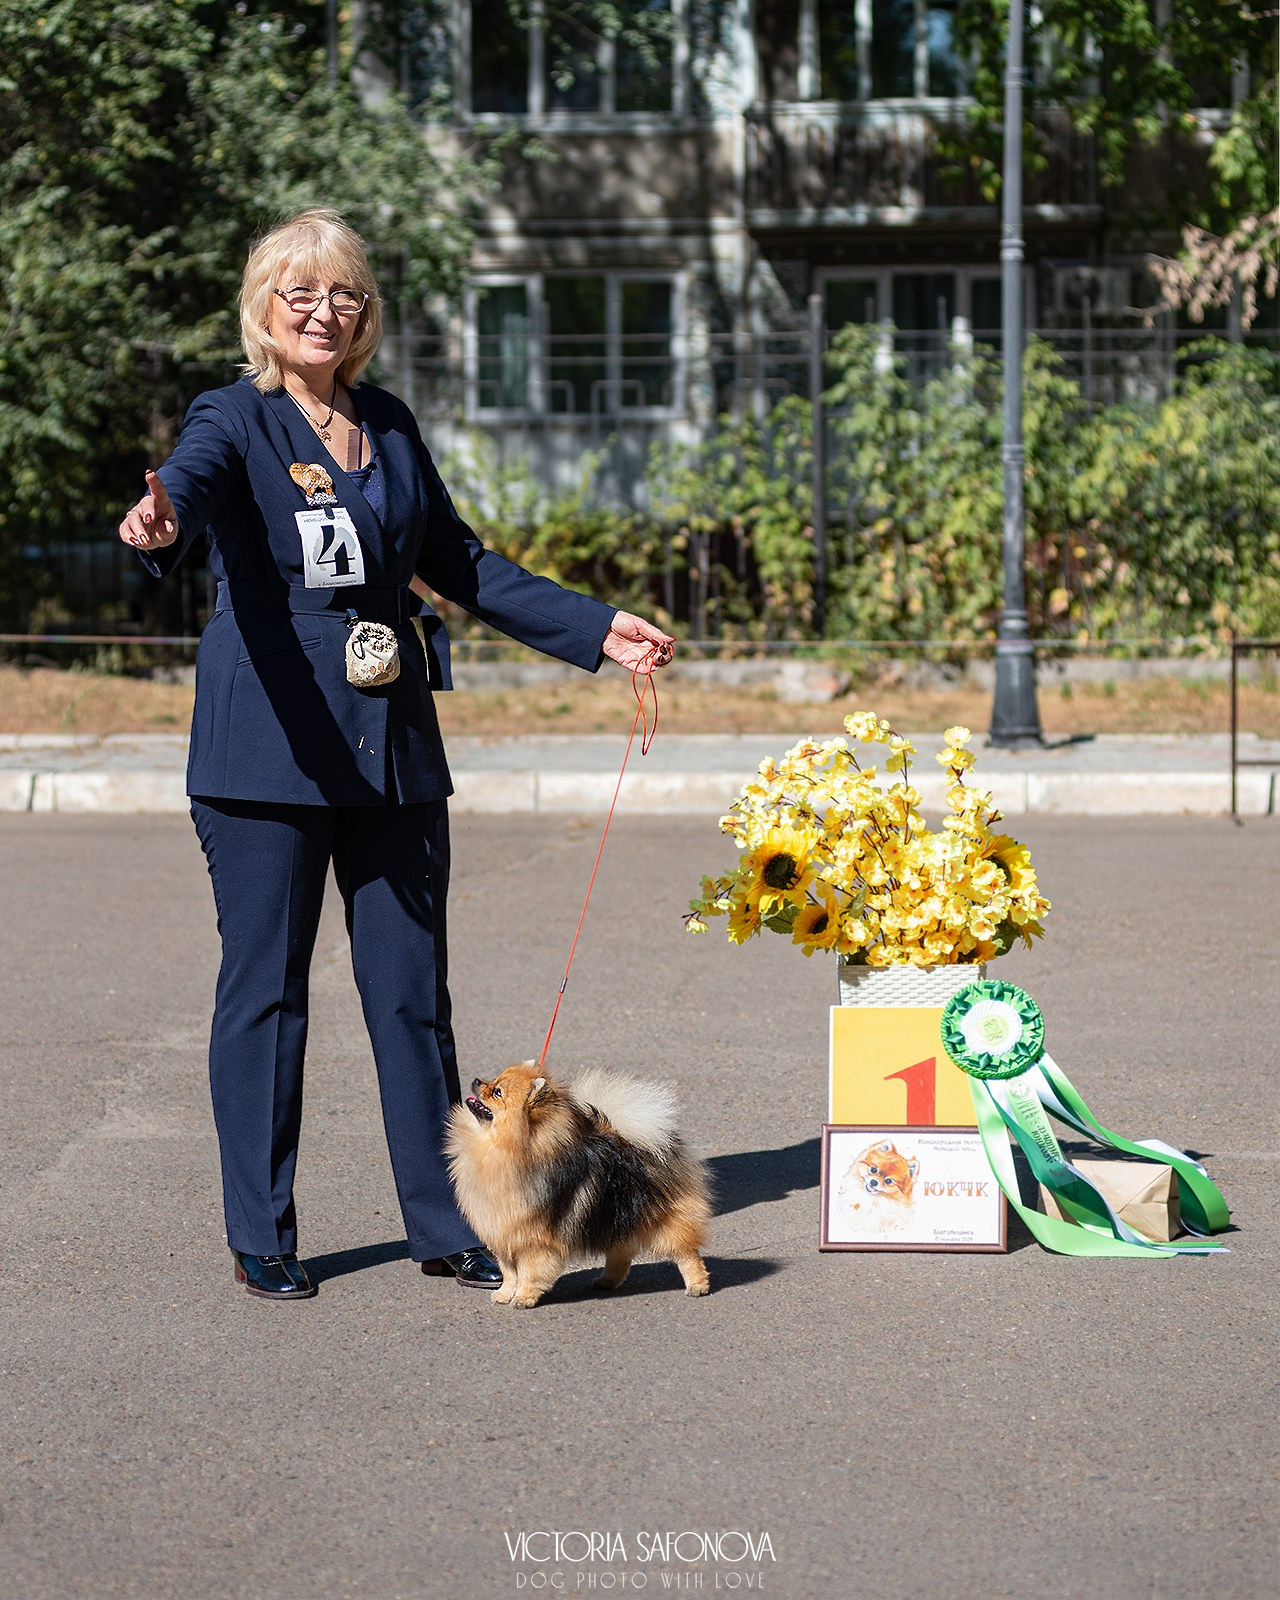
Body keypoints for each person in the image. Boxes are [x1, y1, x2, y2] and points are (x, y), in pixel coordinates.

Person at [118, 209, 674, 1301]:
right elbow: (185, 482)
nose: (325, 312)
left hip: (391, 746)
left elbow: (458, 559)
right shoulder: (237, 415)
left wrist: (595, 629)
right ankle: (260, 1228)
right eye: (300, 295)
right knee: (265, 992)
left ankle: (443, 1220)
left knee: (413, 997)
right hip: (267, 753)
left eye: (346, 296)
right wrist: (159, 521)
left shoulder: (390, 422)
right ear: (264, 311)